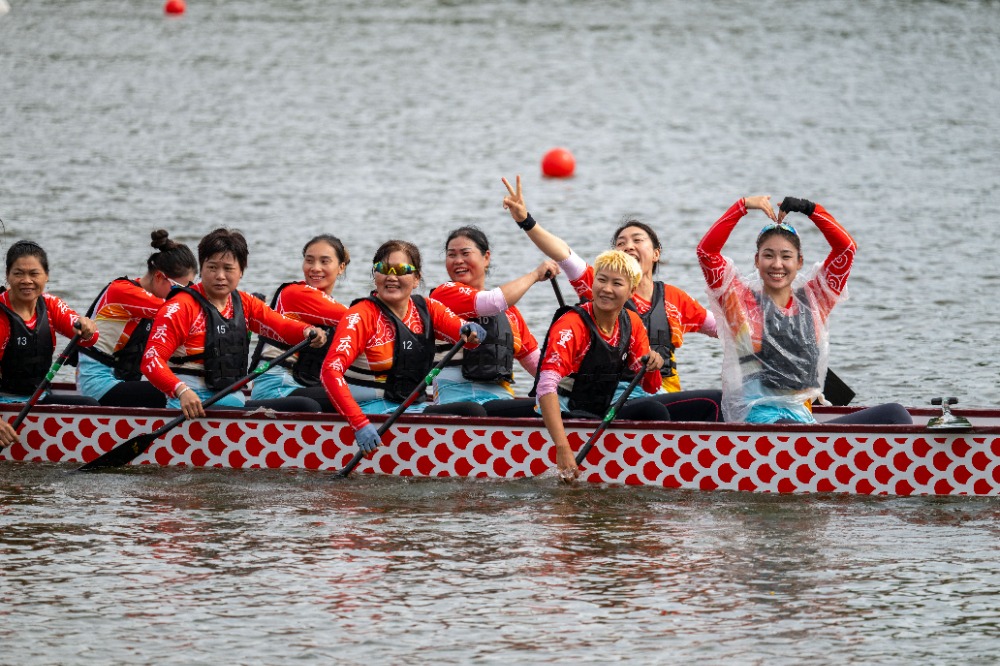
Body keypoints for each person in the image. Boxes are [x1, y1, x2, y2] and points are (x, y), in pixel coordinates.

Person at [502, 174, 722, 421]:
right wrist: (525, 220)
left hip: (663, 392)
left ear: (657, 253)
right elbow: (563, 254)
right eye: (621, 243)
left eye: (638, 240)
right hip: (618, 396)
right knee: (704, 403)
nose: (628, 246)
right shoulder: (601, 286)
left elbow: (727, 330)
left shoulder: (676, 298)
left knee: (720, 403)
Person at [697, 195, 911, 425]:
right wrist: (742, 206)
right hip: (759, 421)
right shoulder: (737, 300)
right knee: (791, 429)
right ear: (756, 261)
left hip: (803, 421)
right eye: (768, 255)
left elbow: (846, 249)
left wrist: (811, 209)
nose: (777, 264)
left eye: (786, 256)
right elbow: (706, 252)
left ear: (799, 262)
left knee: (895, 413)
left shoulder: (815, 300)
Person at [320, 239, 489, 455]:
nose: (391, 276)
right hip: (369, 416)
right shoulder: (361, 316)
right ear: (375, 276)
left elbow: (465, 335)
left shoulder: (427, 309)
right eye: (382, 269)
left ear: (416, 279)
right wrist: (358, 423)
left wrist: (472, 332)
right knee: (471, 411)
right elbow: (330, 371)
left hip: (411, 410)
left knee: (471, 411)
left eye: (400, 270)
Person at [141, 228, 328, 418]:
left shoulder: (245, 304)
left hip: (233, 403)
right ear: (202, 268)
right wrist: (181, 391)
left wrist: (307, 331)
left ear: (241, 272)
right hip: (191, 406)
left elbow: (280, 326)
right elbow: (151, 361)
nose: (220, 276)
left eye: (228, 269)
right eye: (212, 267)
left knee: (306, 406)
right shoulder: (181, 307)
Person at [534, 250, 668, 480]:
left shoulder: (632, 323)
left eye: (617, 283)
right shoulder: (571, 325)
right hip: (565, 410)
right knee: (655, 410)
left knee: (654, 409)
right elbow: (545, 387)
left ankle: (654, 471)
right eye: (601, 280)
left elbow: (651, 387)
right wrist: (562, 447)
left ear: (631, 291)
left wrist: (654, 364)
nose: (606, 289)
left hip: (599, 408)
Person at [429, 225, 559, 416]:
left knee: (557, 406)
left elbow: (540, 367)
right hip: (457, 405)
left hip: (499, 403)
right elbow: (492, 302)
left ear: (486, 258)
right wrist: (535, 275)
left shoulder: (511, 313)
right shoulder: (443, 295)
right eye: (451, 255)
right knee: (476, 411)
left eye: (465, 253)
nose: (458, 261)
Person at [76, 230, 198, 407]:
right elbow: (187, 313)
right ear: (158, 277)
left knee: (186, 386)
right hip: (98, 384)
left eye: (190, 288)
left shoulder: (150, 298)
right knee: (181, 393)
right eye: (181, 288)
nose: (184, 295)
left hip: (120, 379)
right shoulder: (123, 292)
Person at [249, 234, 350, 412]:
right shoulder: (295, 294)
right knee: (348, 398)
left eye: (324, 262)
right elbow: (363, 321)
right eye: (309, 261)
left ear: (341, 267)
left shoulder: (328, 304)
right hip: (275, 388)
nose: (315, 268)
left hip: (300, 386)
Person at [0, 240, 100, 406]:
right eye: (18, 274)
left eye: (34, 274)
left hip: (38, 399)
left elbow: (90, 339)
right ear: (7, 275)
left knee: (90, 405)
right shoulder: (2, 315)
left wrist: (87, 327)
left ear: (46, 276)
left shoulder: (50, 305)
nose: (26, 280)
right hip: (4, 402)